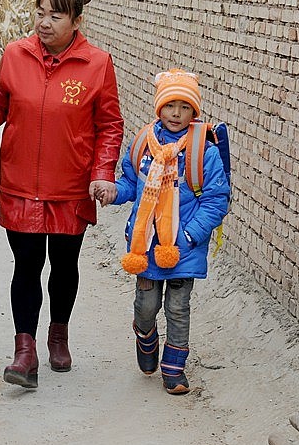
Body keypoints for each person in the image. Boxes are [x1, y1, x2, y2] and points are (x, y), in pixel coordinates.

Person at [0, 0, 124, 389]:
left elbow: (109, 125)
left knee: (63, 266)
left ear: (76, 21)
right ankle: (24, 352)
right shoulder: (15, 54)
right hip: (20, 182)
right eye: (40, 13)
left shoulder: (97, 63)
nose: (44, 23)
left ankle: (58, 334)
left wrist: (102, 172)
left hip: (70, 187)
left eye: (55, 16)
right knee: (26, 265)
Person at [97, 69, 230, 395]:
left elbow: (216, 200)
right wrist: (113, 192)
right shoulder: (144, 144)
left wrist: (190, 235)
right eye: (170, 105)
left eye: (185, 107)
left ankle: (174, 370)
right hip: (146, 244)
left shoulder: (203, 152)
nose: (176, 113)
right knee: (147, 305)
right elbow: (130, 183)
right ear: (159, 107)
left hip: (184, 246)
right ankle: (145, 336)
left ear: (193, 111)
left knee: (178, 308)